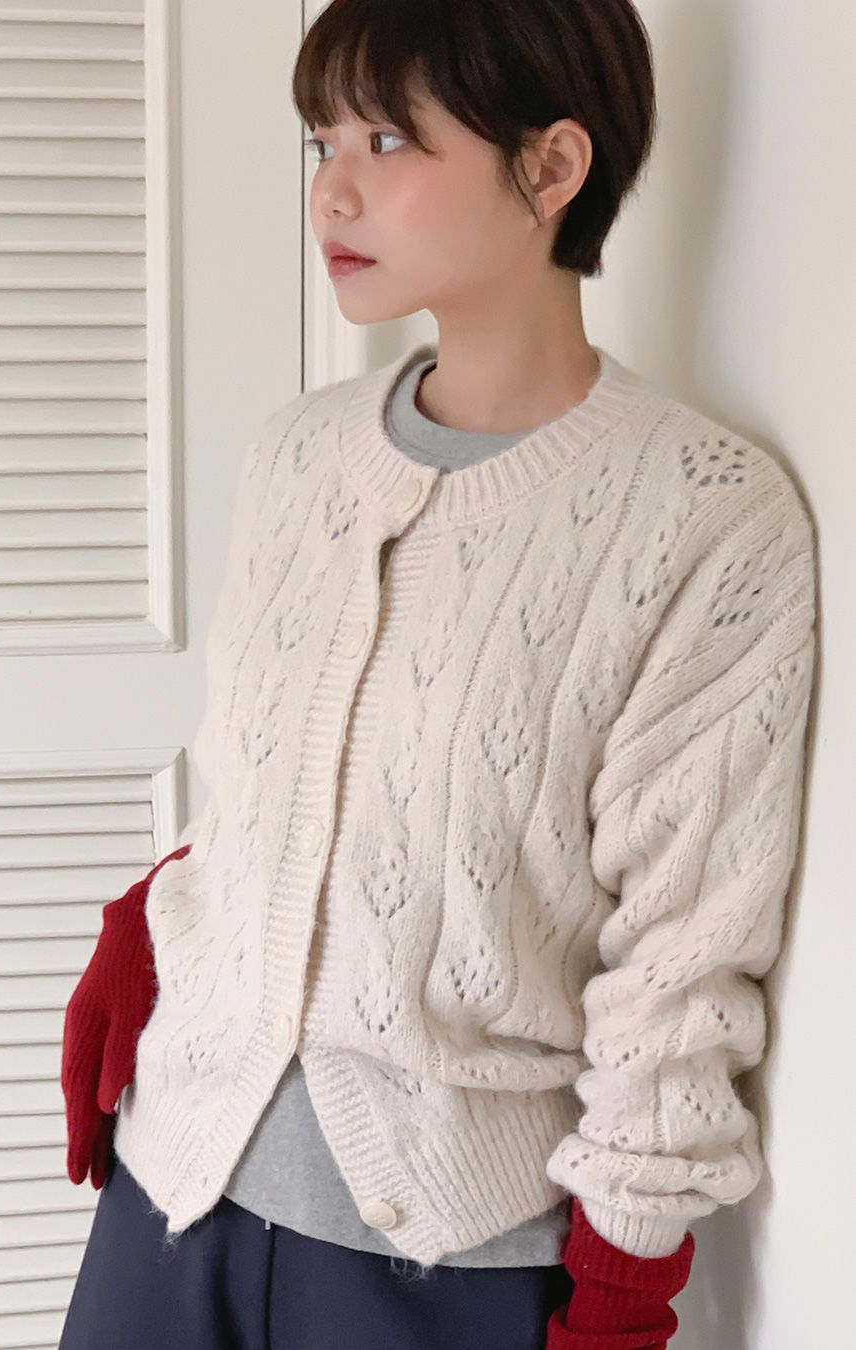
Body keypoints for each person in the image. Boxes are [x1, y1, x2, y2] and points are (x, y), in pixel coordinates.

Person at [57, 2, 817, 1347]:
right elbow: (271, 791)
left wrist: (623, 1289)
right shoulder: (298, 456)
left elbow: (681, 962)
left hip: (439, 1266)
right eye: (323, 141)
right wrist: (151, 919)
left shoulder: (703, 516)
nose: (332, 190)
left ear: (552, 166)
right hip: (171, 1189)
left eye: (389, 140)